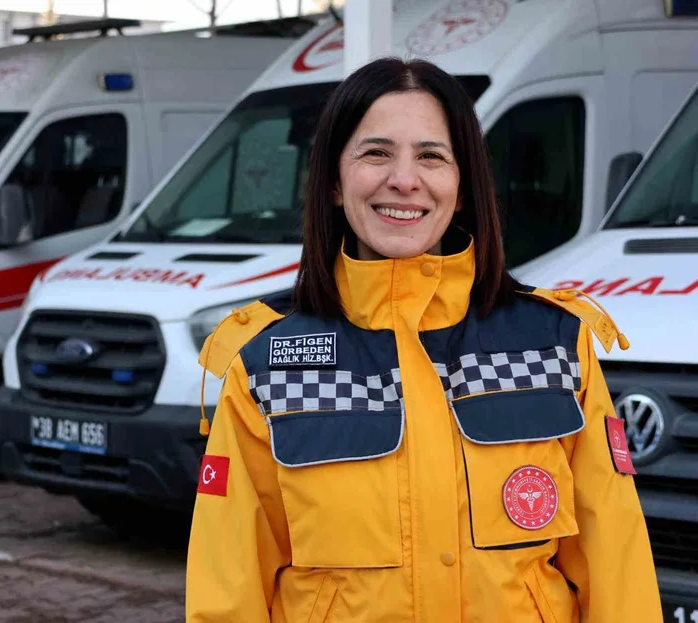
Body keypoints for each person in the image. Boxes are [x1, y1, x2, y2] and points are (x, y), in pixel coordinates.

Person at [185, 57, 662, 622]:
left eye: (431, 156)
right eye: (376, 153)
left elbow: (615, 562)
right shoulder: (266, 361)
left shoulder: (555, 342)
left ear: (462, 188)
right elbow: (228, 585)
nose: (405, 180)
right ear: (334, 182)